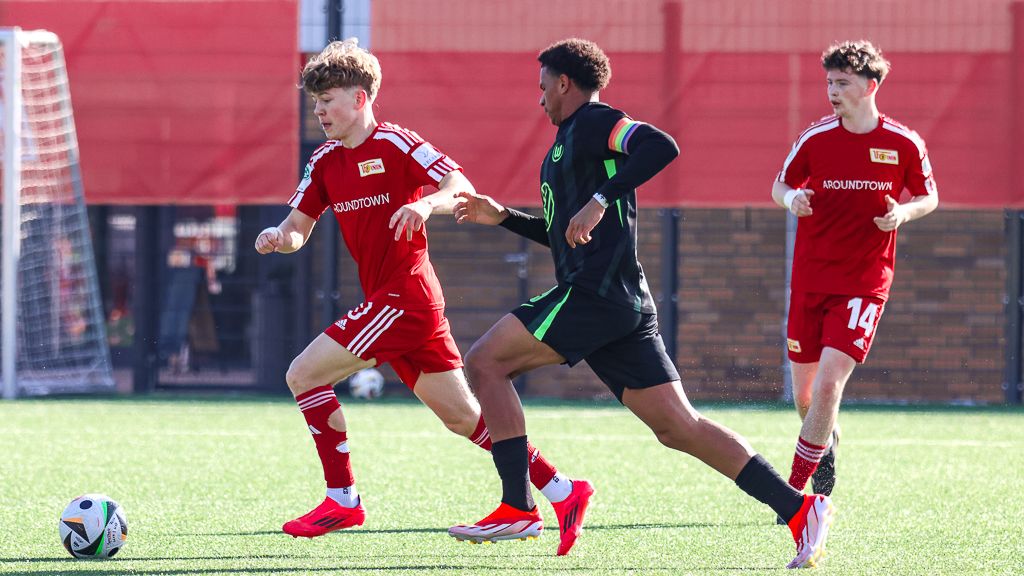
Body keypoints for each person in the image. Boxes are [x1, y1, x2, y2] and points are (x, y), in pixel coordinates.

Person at [449, 38, 834, 568]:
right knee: (680, 428)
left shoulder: (594, 121)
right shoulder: (566, 144)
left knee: (485, 362)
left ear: (564, 83)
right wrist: (505, 218)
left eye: (543, 87)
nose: (539, 99)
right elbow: (570, 235)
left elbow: (660, 145)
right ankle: (799, 510)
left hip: (596, 296)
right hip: (620, 304)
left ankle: (519, 505)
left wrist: (600, 200)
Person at [254, 39, 586, 550]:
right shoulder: (322, 162)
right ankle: (562, 490)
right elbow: (298, 226)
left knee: (303, 373)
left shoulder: (397, 142)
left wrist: (428, 203)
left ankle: (342, 500)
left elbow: (459, 184)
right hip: (399, 304)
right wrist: (281, 239)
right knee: (463, 418)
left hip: (404, 297)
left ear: (361, 98)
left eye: (328, 99)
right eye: (315, 101)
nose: (319, 110)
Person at [772, 41, 938, 500]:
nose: (832, 90)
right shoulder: (816, 137)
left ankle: (796, 491)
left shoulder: (903, 142)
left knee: (829, 382)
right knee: (806, 397)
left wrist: (904, 214)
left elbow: (929, 196)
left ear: (871, 85)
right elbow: (779, 183)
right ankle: (824, 444)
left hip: (865, 282)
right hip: (810, 279)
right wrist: (792, 199)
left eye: (842, 82)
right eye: (829, 81)